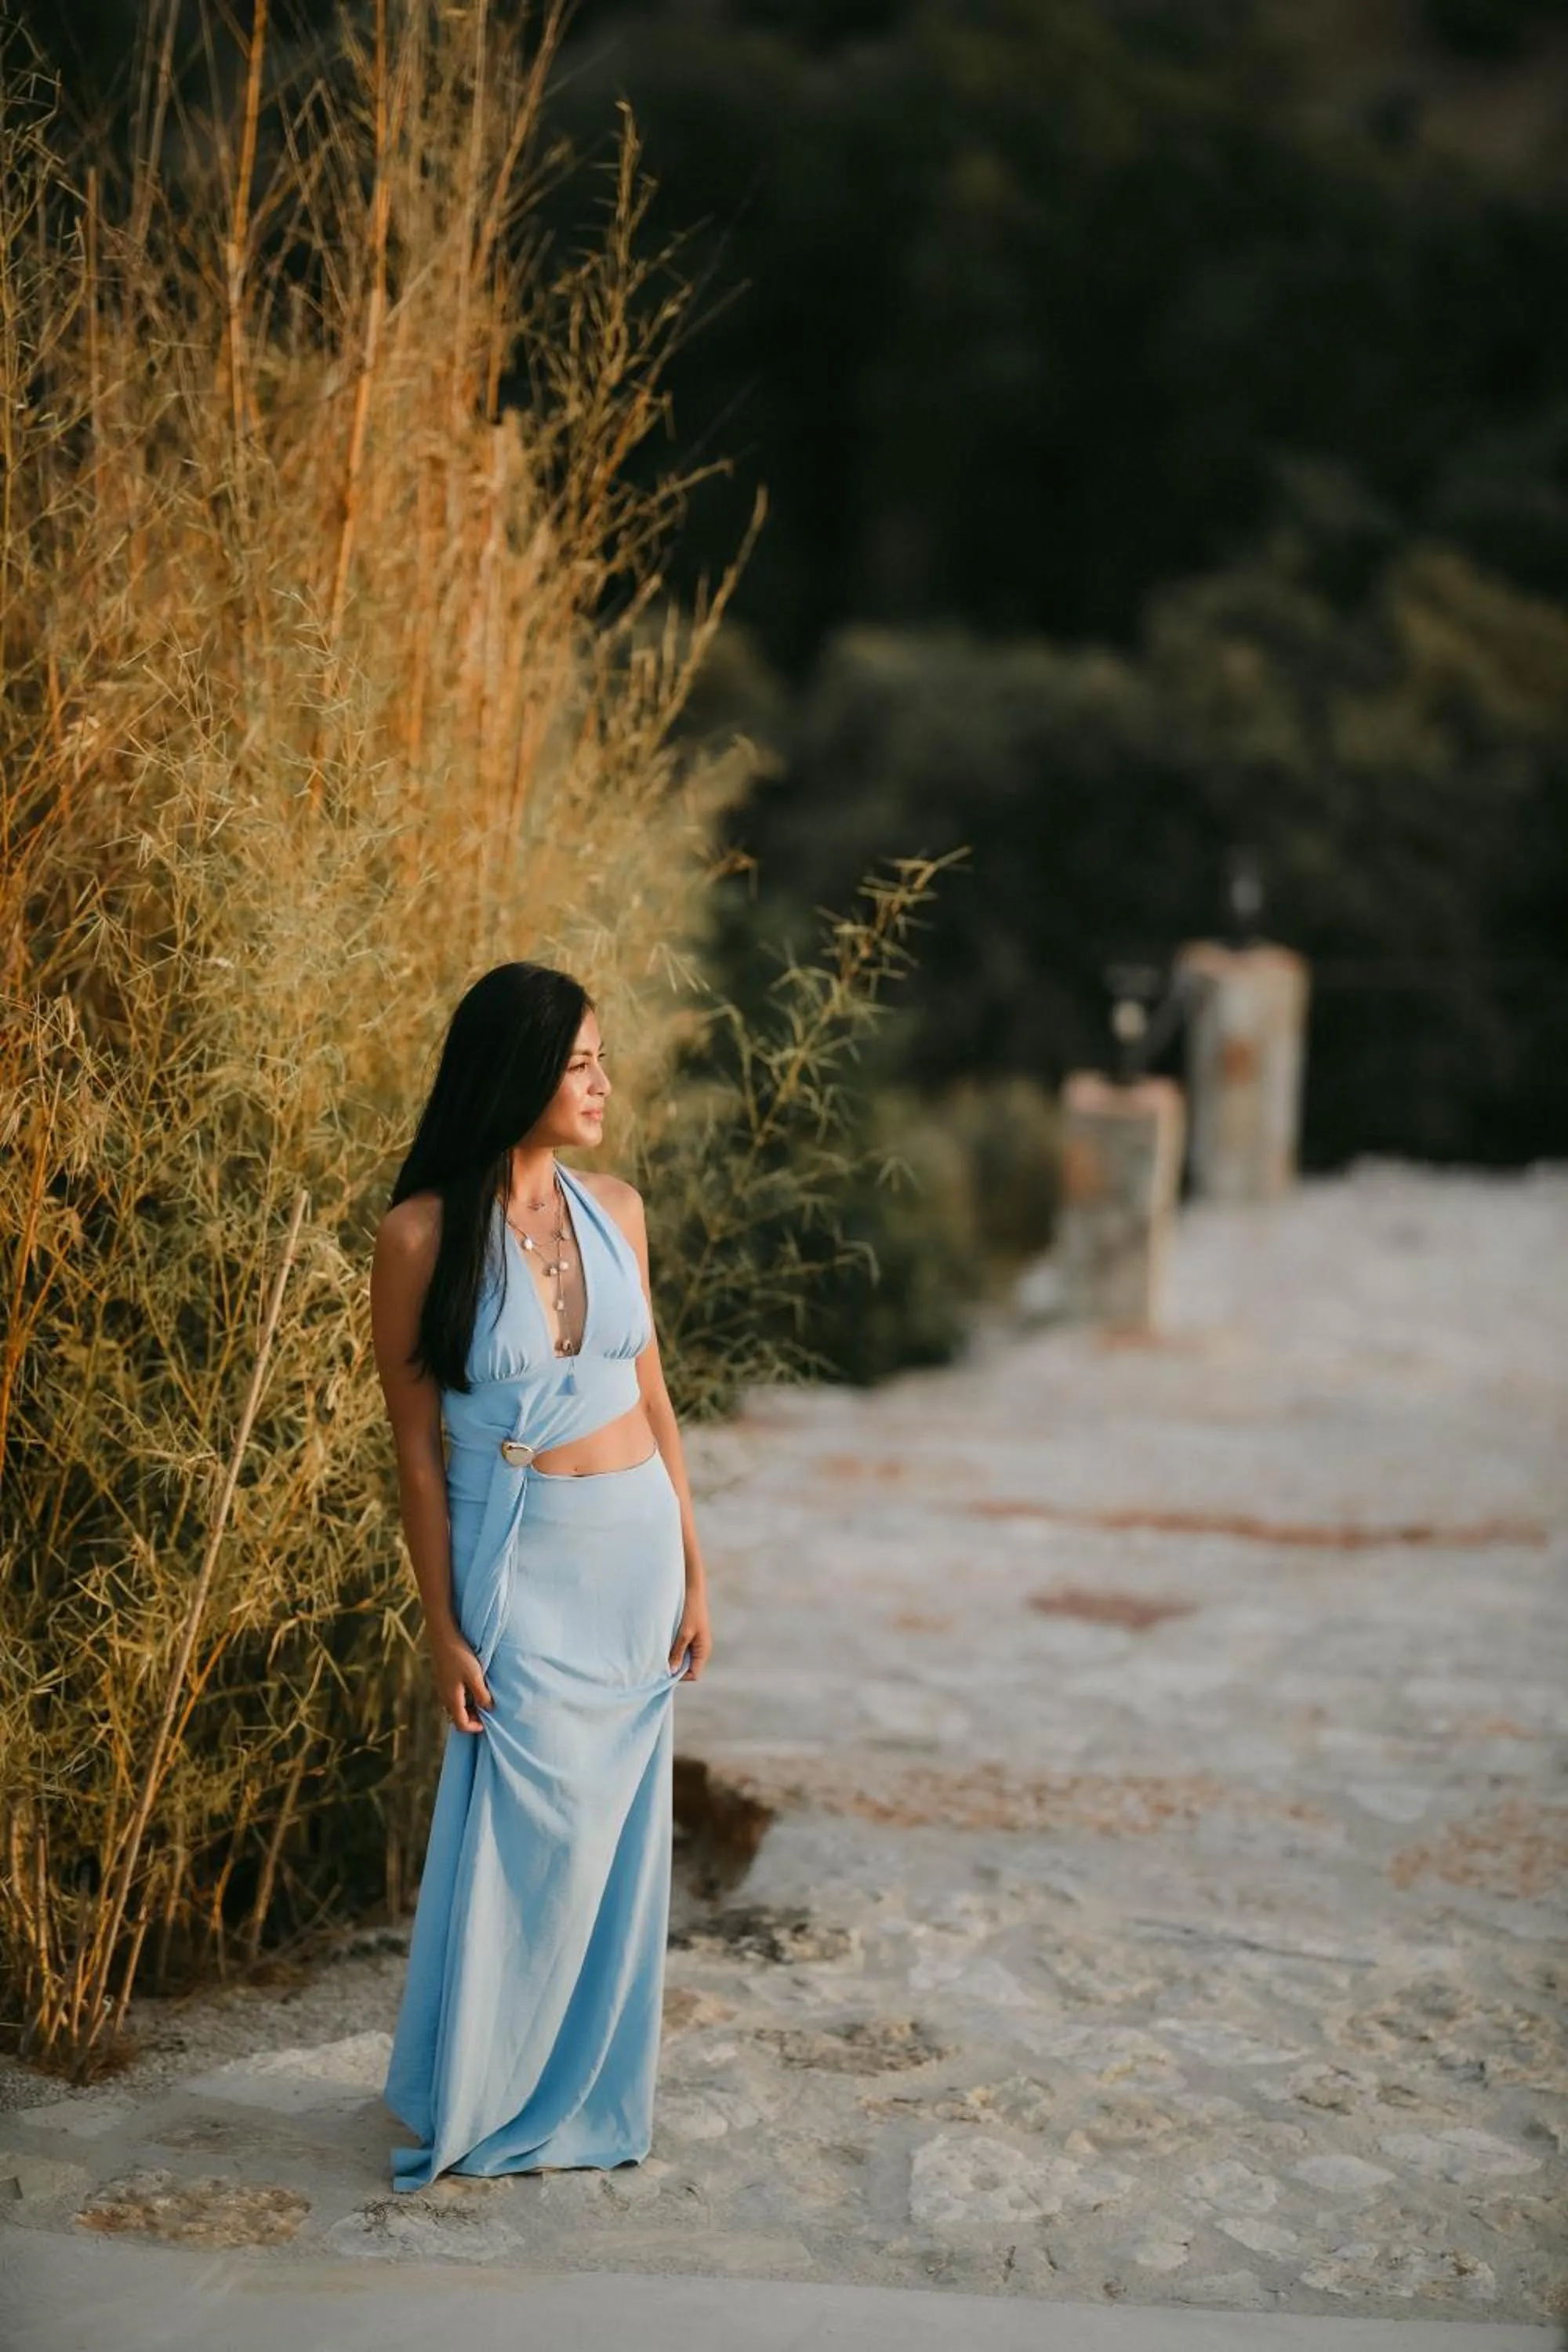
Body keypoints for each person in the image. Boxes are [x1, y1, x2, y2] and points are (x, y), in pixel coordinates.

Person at [369, 960, 713, 2190]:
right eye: (578, 1064)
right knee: (525, 1843)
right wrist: (443, 1626)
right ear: (516, 1074)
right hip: (519, 1564)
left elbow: (655, 1398)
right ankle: (486, 2092)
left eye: (601, 1060)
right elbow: (416, 1451)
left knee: (617, 1848)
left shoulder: (617, 1208)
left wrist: (696, 1565)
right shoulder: (419, 1238)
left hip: (634, 1562)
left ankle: (588, 2097)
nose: (602, 1084)